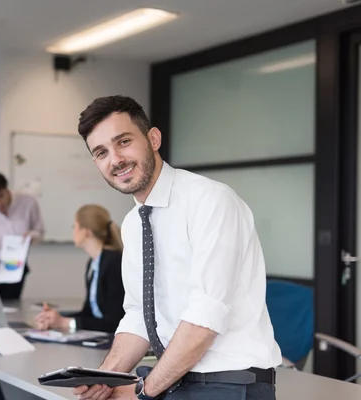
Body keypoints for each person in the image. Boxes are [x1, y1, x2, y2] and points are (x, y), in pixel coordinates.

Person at [72, 95, 281, 400]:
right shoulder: (133, 223)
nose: (115, 159)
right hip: (175, 380)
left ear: (153, 138)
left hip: (228, 382)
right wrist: (104, 378)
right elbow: (138, 315)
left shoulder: (210, 200)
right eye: (102, 152)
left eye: (124, 142)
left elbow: (204, 317)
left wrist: (145, 391)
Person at [34, 204, 125, 333]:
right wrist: (56, 319)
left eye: (74, 226)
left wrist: (66, 322)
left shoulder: (113, 262)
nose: (73, 231)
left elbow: (113, 322)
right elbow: (89, 314)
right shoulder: (93, 264)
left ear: (86, 231)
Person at [0, 171, 44, 301]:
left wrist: (31, 236)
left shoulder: (28, 202)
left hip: (15, 266)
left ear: (6, 188)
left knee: (11, 309)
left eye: (1, 196)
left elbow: (39, 232)